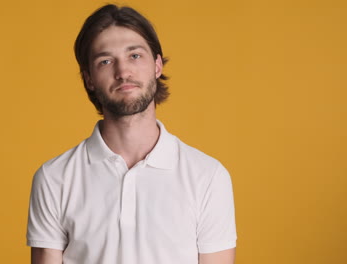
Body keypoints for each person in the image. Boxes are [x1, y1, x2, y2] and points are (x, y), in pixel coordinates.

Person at [26, 4, 237, 264]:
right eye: (105, 61)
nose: (123, 71)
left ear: (157, 65)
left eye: (135, 56)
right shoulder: (54, 178)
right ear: (89, 79)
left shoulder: (208, 176)